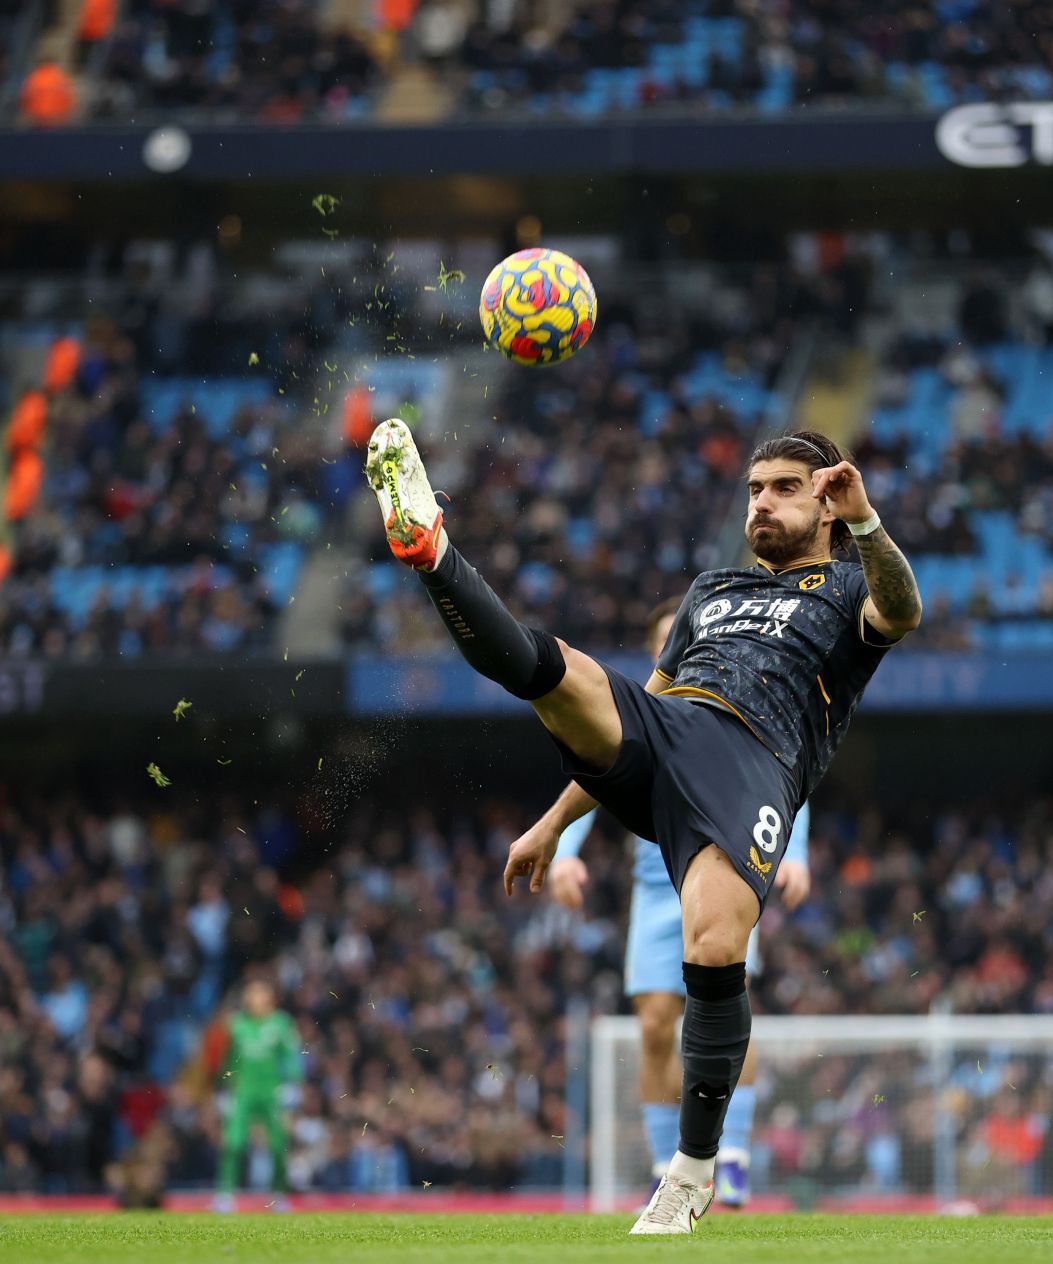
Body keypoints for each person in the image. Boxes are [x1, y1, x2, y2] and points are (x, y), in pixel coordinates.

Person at [364, 418, 920, 1234]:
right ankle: (434, 554)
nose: (761, 504)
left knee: (714, 944)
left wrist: (869, 522)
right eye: (754, 490)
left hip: (753, 761)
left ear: (828, 504)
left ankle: (692, 1173)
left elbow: (903, 612)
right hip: (668, 730)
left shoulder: (846, 590)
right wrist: (555, 823)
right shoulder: (711, 590)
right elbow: (650, 704)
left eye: (784, 490)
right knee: (554, 673)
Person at [541, 598, 813, 1208]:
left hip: (732, 869)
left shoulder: (742, 701)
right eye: (671, 639)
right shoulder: (645, 714)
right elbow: (595, 774)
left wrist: (796, 853)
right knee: (657, 1027)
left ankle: (733, 1156)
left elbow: (788, 778)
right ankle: (669, 1167)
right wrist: (564, 850)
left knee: (722, 1005)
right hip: (657, 887)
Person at [212, 979, 302, 1213]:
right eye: (250, 994)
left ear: (270, 998)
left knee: (278, 1145)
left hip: (272, 1091)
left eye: (259, 994)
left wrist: (292, 1085)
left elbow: (290, 1056)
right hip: (243, 1091)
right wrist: (223, 1088)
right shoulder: (237, 1025)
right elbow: (230, 1060)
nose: (254, 999)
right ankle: (225, 1194)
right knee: (233, 1142)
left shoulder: (281, 1024)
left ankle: (280, 1195)